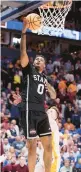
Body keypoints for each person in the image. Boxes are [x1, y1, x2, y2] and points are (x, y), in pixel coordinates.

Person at [14, 18, 56, 172]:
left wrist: (50, 87)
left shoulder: (46, 78)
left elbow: (53, 96)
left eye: (40, 59)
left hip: (41, 112)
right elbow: (23, 52)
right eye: (36, 59)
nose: (37, 60)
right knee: (32, 146)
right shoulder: (28, 70)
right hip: (29, 110)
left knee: (48, 146)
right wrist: (24, 32)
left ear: (44, 66)